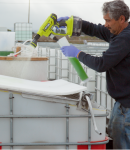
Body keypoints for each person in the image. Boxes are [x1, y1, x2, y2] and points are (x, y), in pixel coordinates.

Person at [59, 0, 130, 149]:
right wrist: (74, 22)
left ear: (122, 19)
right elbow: (95, 29)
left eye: (108, 20)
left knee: (122, 143)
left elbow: (101, 64)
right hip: (122, 104)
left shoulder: (125, 39)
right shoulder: (119, 32)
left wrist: (77, 53)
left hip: (127, 107)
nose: (105, 24)